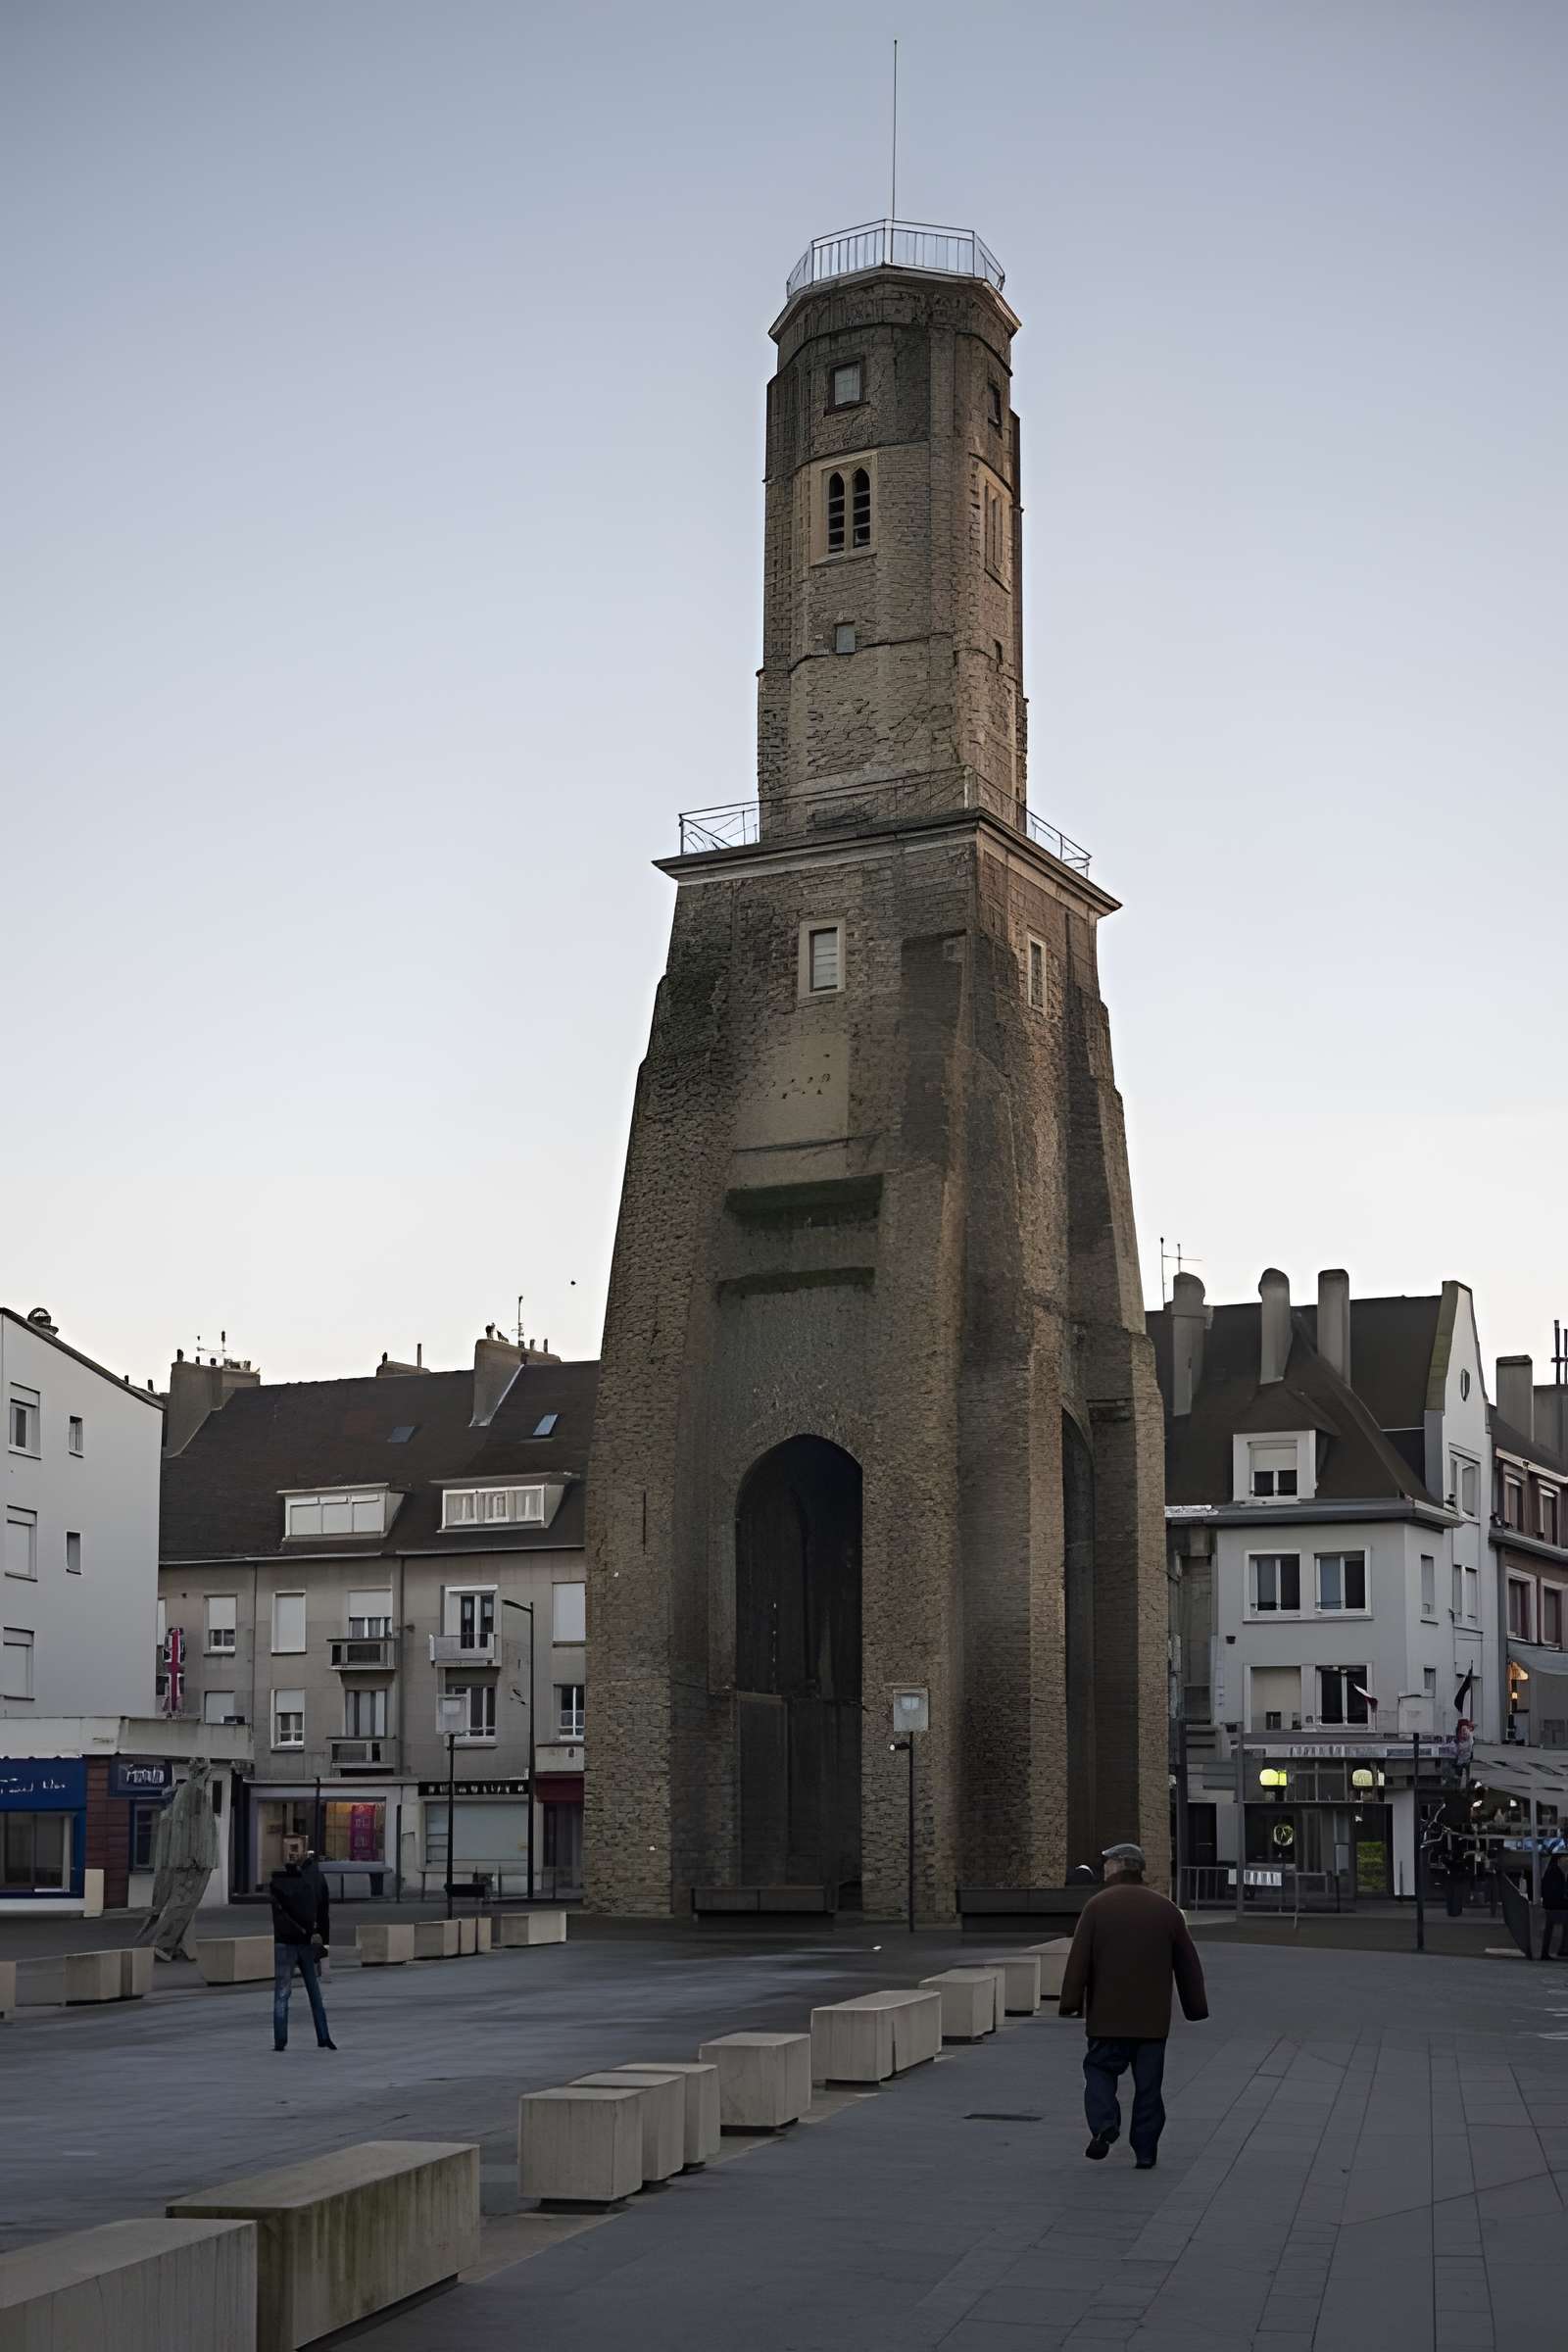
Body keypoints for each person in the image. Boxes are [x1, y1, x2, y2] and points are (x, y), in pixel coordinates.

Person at [1058, 1841, 1208, 2171]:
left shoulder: (1097, 1907)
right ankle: (1145, 2151)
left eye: (1108, 1862)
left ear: (1122, 1865)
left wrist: (1069, 2002)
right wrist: (1195, 2006)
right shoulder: (1165, 1910)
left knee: (1099, 2070)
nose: (1104, 1868)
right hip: (1152, 2021)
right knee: (1149, 2088)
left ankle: (1104, 2124)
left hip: (1107, 2017)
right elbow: (1188, 1964)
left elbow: (1079, 1960)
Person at [269, 1835, 336, 2050]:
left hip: (283, 1941)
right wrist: (324, 1943)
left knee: (281, 1993)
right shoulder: (316, 1878)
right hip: (307, 1941)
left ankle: (280, 2041)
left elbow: (275, 1910)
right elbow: (324, 1913)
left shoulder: (278, 1880)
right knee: (314, 1992)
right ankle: (323, 2036)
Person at [1541, 1848, 1568, 1960]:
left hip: (1551, 1905)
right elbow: (1557, 1892)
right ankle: (1563, 1948)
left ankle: (1563, 1947)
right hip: (1554, 1906)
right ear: (1559, 1859)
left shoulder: (1553, 1870)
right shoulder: (1555, 1872)